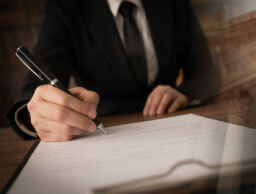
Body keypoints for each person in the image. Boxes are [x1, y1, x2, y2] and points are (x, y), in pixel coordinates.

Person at [7, 0, 221, 142]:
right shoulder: (66, 7)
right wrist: (34, 116)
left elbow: (207, 75)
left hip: (173, 125)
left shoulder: (174, 3)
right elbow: (38, 83)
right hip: (101, 129)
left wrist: (185, 93)